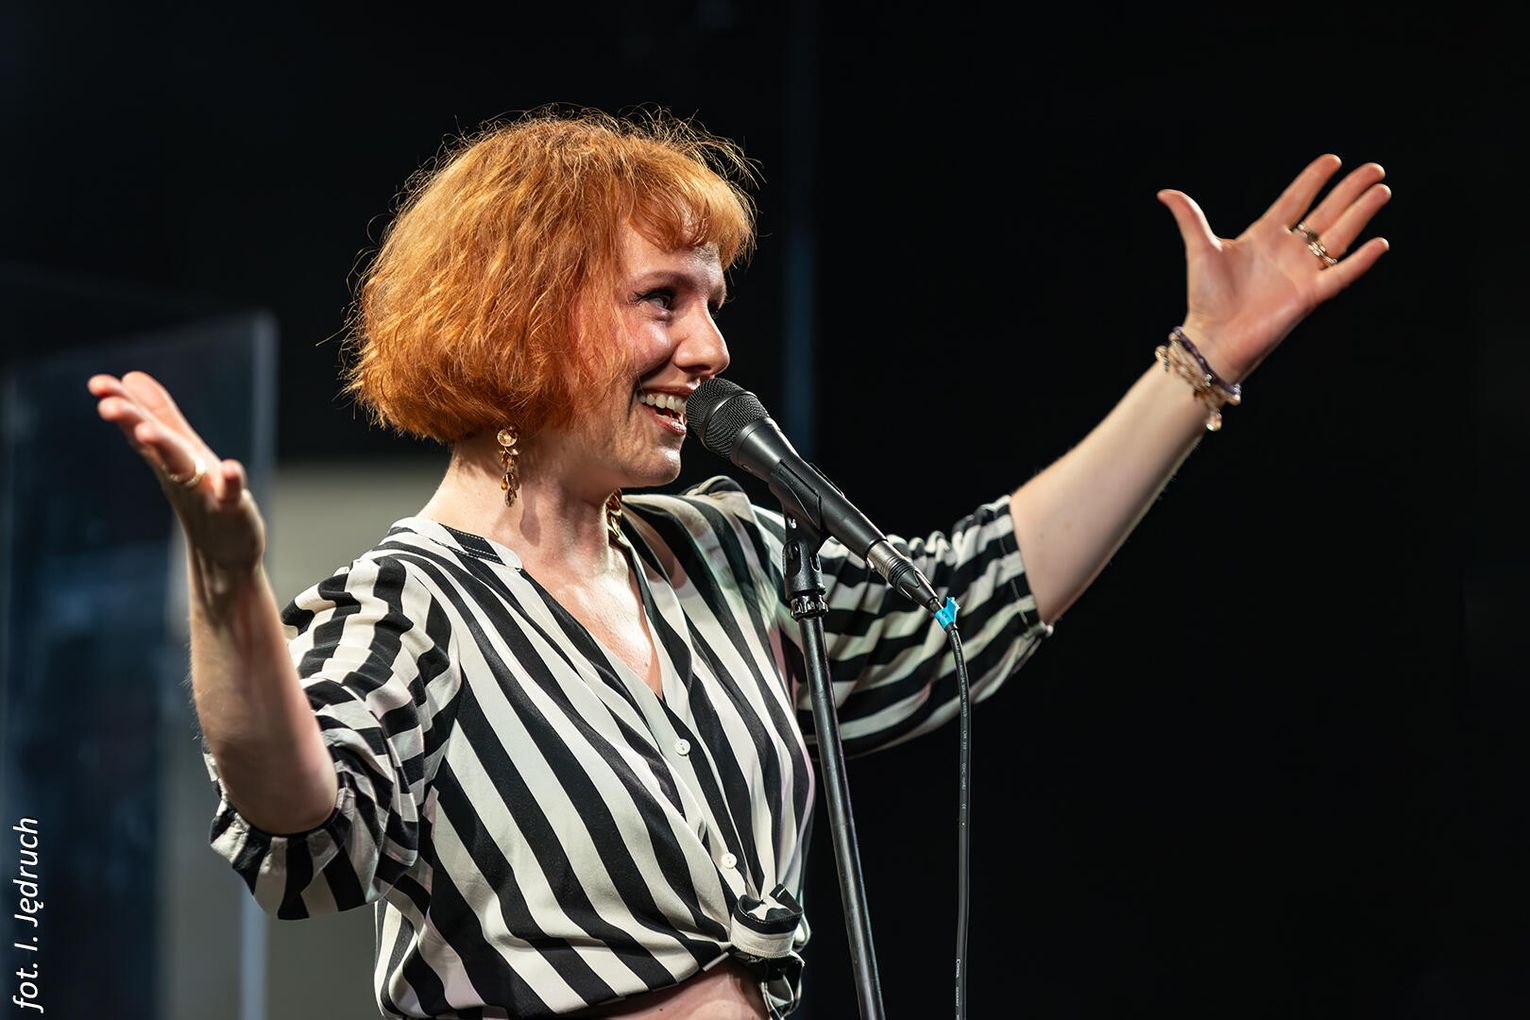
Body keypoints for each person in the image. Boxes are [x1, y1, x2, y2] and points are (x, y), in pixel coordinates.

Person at [88, 108, 1390, 1019]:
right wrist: (227, 586)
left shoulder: (722, 552)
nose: (709, 349)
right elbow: (298, 821)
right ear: (518, 320)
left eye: (713, 302)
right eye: (662, 300)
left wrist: (1198, 365)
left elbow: (961, 601)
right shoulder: (411, 605)